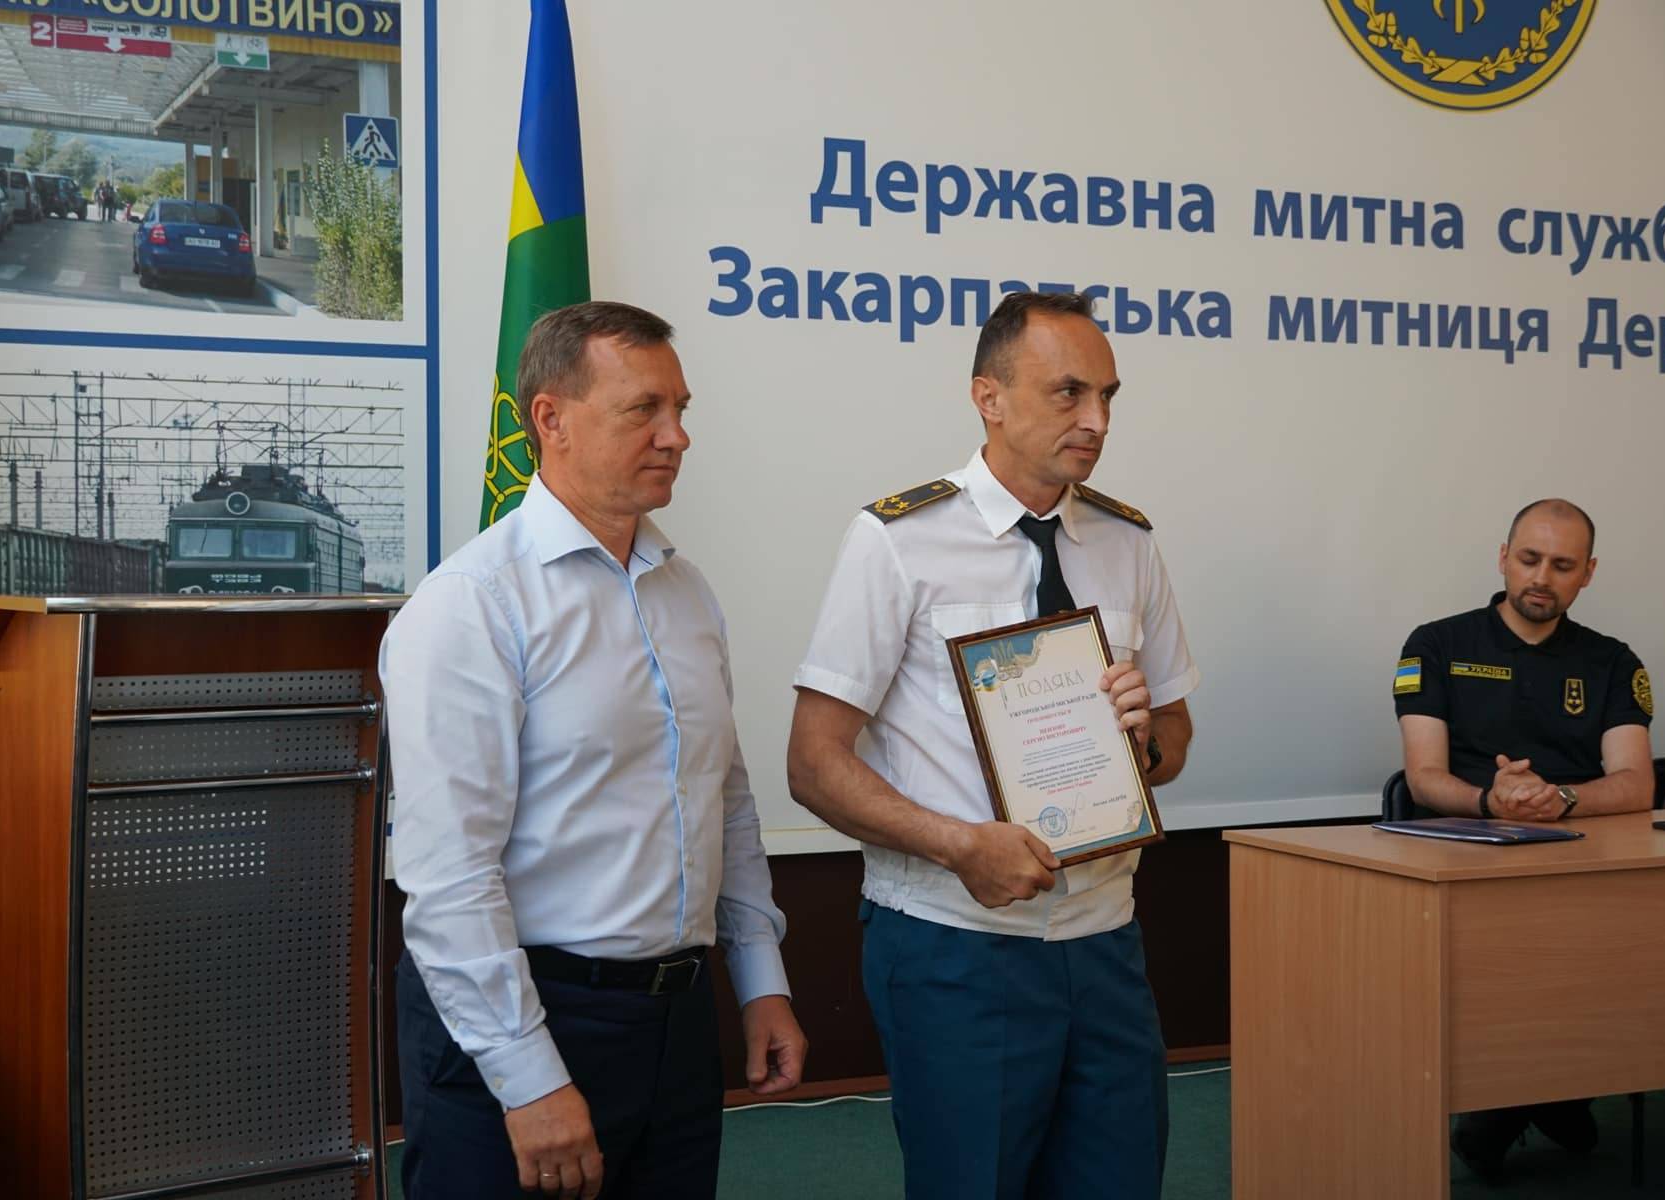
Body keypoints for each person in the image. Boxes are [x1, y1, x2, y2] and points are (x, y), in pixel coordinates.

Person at [382, 301, 807, 1200]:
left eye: (680, 409)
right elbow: (449, 877)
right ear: (552, 418)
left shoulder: (686, 593)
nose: (676, 436)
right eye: (643, 409)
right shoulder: (472, 605)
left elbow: (723, 800)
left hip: (676, 1023)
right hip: (524, 1018)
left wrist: (759, 980)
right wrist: (529, 1077)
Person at [786, 290, 1199, 1198]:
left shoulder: (1127, 543)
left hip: (1105, 940)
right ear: (989, 397)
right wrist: (959, 845)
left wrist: (1144, 745)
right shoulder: (898, 540)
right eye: (1068, 393)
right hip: (956, 945)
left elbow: (1173, 735)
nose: (1096, 421)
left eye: (1108, 396)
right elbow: (813, 764)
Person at [1393, 498, 1655, 1180]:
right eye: (1530, 559)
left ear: (1587, 573)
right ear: (1503, 558)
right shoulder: (1435, 645)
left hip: (1579, 862)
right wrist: (1492, 800)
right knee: (1510, 964)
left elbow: (1636, 783)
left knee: (1630, 955)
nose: (1542, 577)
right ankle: (1545, 1095)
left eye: (1563, 565)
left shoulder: (1612, 661)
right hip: (1460, 857)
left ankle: (1538, 1097)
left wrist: (1559, 799)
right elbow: (1423, 778)